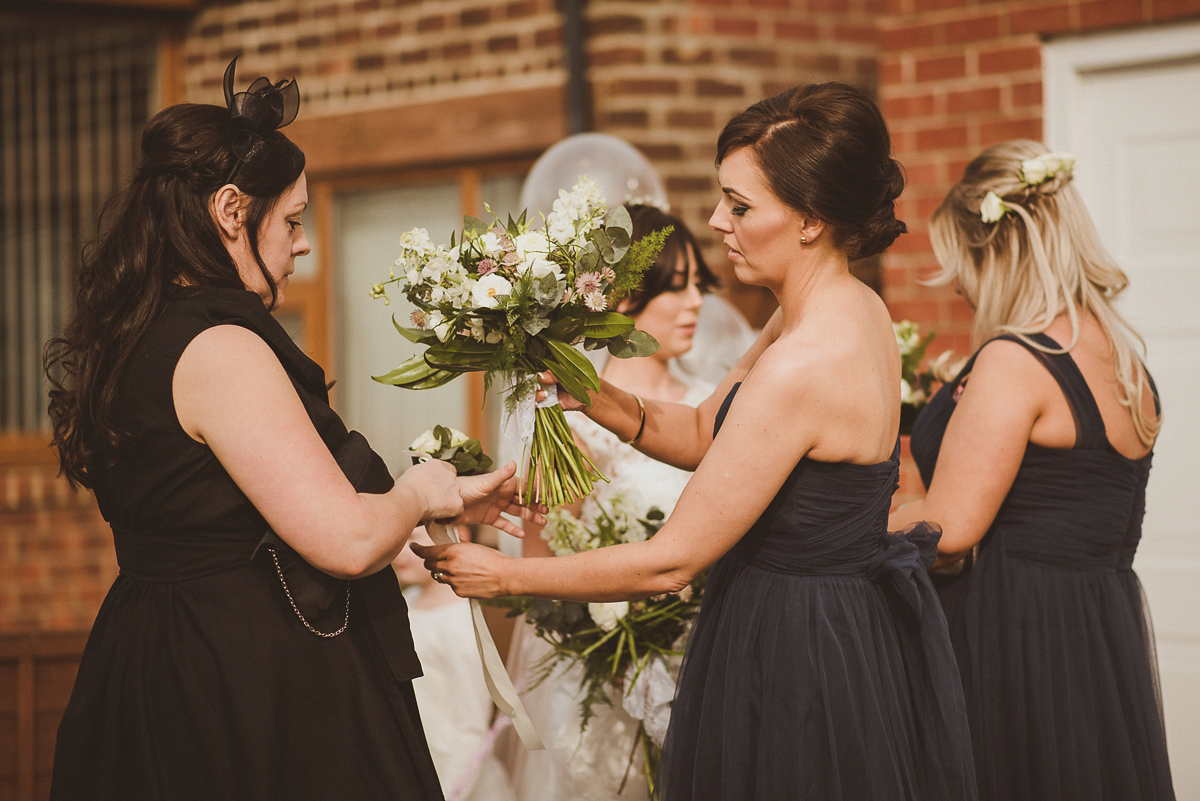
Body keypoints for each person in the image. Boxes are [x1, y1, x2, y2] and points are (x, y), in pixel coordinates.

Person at [414, 83, 978, 801]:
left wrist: (504, 576)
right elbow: (708, 429)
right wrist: (594, 392)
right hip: (825, 624)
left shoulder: (804, 363)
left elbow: (669, 561)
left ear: (809, 219)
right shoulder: (843, 309)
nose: (717, 221)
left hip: (797, 649)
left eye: (740, 206)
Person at [43, 59, 540, 800]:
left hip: (165, 647)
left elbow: (252, 506)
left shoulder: (142, 330)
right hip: (239, 675)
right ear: (231, 211)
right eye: (294, 220)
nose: (303, 245)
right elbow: (342, 540)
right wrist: (417, 487)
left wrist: (444, 501)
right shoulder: (219, 348)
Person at [889, 140, 1174, 801]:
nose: (956, 286)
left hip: (1014, 633)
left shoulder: (1017, 360)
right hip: (1098, 627)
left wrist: (845, 527)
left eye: (960, 266)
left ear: (997, 253)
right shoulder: (1125, 361)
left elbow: (950, 526)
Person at [505, 205, 719, 801]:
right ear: (622, 300)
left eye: (701, 284)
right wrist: (615, 650)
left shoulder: (711, 409)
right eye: (678, 287)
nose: (697, 301)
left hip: (704, 663)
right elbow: (538, 569)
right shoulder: (573, 428)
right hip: (605, 677)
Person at [394, 527, 517, 801]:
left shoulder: (460, 622)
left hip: (455, 775)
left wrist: (447, 793)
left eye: (413, 541)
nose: (400, 552)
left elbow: (472, 728)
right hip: (418, 758)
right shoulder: (408, 601)